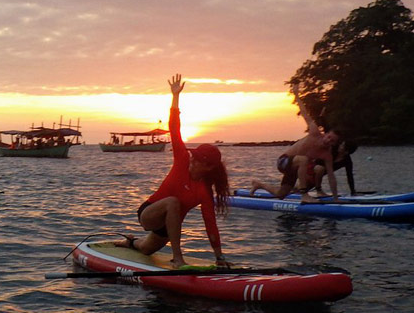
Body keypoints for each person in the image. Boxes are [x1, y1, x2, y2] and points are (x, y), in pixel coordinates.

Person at [115, 74, 231, 269]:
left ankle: (130, 242)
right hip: (149, 213)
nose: (193, 160)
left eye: (199, 160)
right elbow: (174, 128)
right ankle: (178, 258)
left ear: (209, 167)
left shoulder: (203, 191)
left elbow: (210, 223)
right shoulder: (182, 159)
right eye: (194, 156)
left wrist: (219, 257)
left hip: (169, 226)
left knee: (145, 249)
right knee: (173, 202)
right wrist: (175, 97)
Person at [250, 84, 340, 202]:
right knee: (304, 160)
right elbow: (304, 112)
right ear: (326, 134)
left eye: (332, 141)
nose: (328, 140)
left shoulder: (327, 155)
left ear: (333, 144)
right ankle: (304, 195)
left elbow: (331, 177)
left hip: (295, 167)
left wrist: (335, 199)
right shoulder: (314, 132)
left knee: (280, 194)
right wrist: (297, 94)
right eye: (329, 137)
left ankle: (258, 185)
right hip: (284, 161)